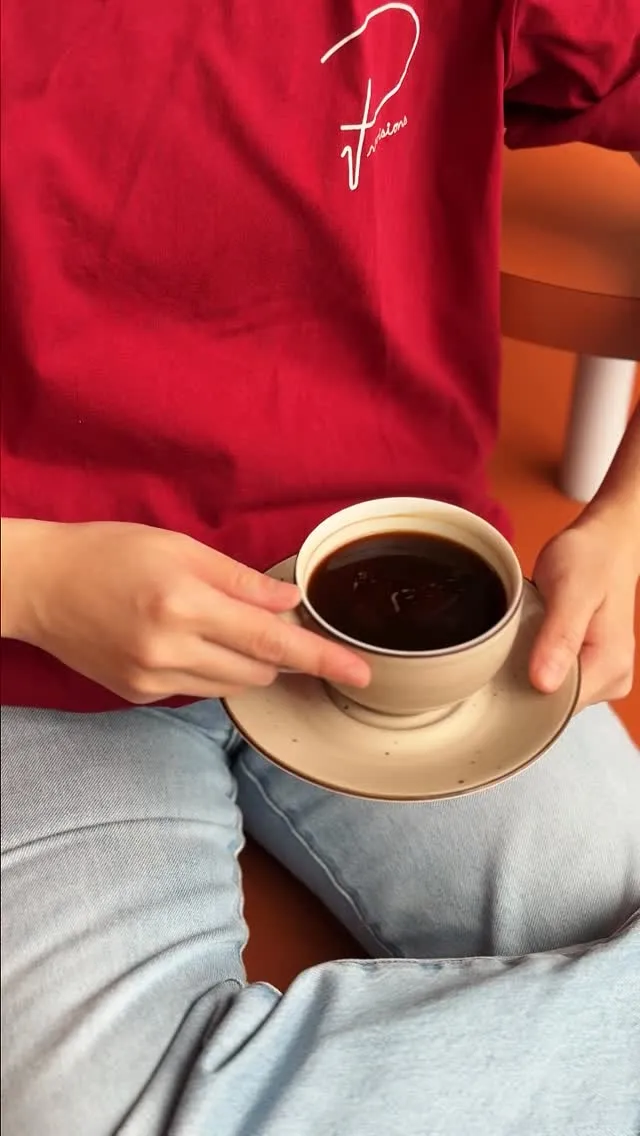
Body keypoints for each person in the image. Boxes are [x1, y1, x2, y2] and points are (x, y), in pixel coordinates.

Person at [1, 2, 639, 1133]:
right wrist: (33, 577)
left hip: (427, 624)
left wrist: (626, 519)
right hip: (31, 651)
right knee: (90, 1105)